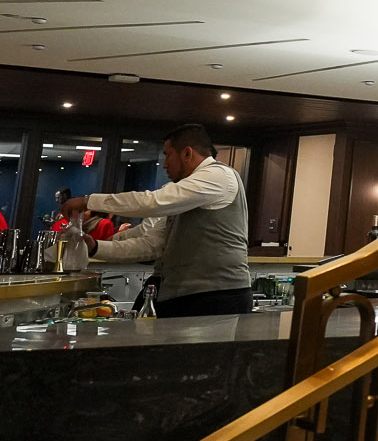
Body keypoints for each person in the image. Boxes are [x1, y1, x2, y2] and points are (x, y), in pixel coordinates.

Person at [62, 123, 253, 317]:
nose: (164, 164)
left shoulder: (218, 175)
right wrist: (96, 247)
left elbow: (152, 201)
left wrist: (89, 201)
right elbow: (152, 245)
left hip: (218, 295)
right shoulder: (186, 193)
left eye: (168, 155)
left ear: (187, 153)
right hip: (183, 294)